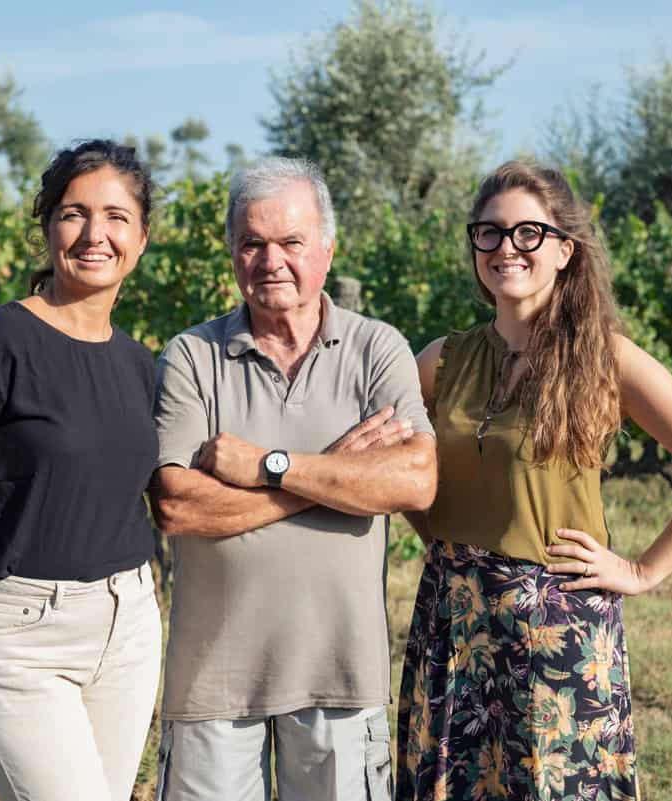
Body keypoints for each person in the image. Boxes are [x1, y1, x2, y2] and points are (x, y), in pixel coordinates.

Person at [396, 160, 672, 801]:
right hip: (453, 620)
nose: (507, 247)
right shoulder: (442, 359)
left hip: (556, 625)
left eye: (528, 233)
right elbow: (395, 464)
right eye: (490, 232)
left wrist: (644, 572)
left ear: (565, 249)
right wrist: (438, 536)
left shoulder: (601, 356)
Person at [150, 156, 438, 801]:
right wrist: (336, 470)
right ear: (232, 254)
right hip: (212, 681)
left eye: (290, 242)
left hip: (341, 674)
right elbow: (176, 505)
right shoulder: (192, 357)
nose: (270, 260)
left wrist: (267, 467)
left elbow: (415, 480)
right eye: (252, 243)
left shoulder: (376, 348)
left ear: (327, 252)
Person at [0, 140, 162, 801]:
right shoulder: (2, 341)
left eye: (115, 216)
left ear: (142, 236)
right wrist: (8, 588)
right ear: (48, 226)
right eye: (74, 213)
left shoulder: (138, 364)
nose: (94, 234)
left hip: (128, 624)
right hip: (25, 636)